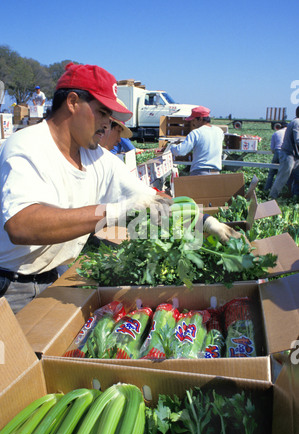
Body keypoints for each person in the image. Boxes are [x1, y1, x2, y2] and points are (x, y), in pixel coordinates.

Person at [0, 63, 240, 314]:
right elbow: (21, 225)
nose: (107, 125)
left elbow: (150, 198)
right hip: (11, 288)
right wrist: (113, 212)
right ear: (72, 102)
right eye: (102, 113)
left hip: (53, 278)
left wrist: (206, 222)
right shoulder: (28, 146)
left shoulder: (96, 157)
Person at [170, 106, 224, 175]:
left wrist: (171, 147)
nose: (192, 123)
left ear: (200, 119)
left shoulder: (196, 133)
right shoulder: (219, 131)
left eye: (193, 120)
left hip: (200, 172)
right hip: (216, 173)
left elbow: (180, 151)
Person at [269, 107, 299, 199]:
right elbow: (297, 140)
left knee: (298, 177)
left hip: (294, 155)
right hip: (289, 155)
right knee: (282, 177)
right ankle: (272, 197)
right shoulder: (297, 122)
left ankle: (295, 196)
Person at [264, 122, 287, 192]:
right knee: (283, 172)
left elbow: (272, 148)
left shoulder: (276, 133)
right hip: (285, 152)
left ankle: (267, 188)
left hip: (277, 151)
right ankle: (280, 190)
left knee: (272, 172)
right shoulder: (289, 133)